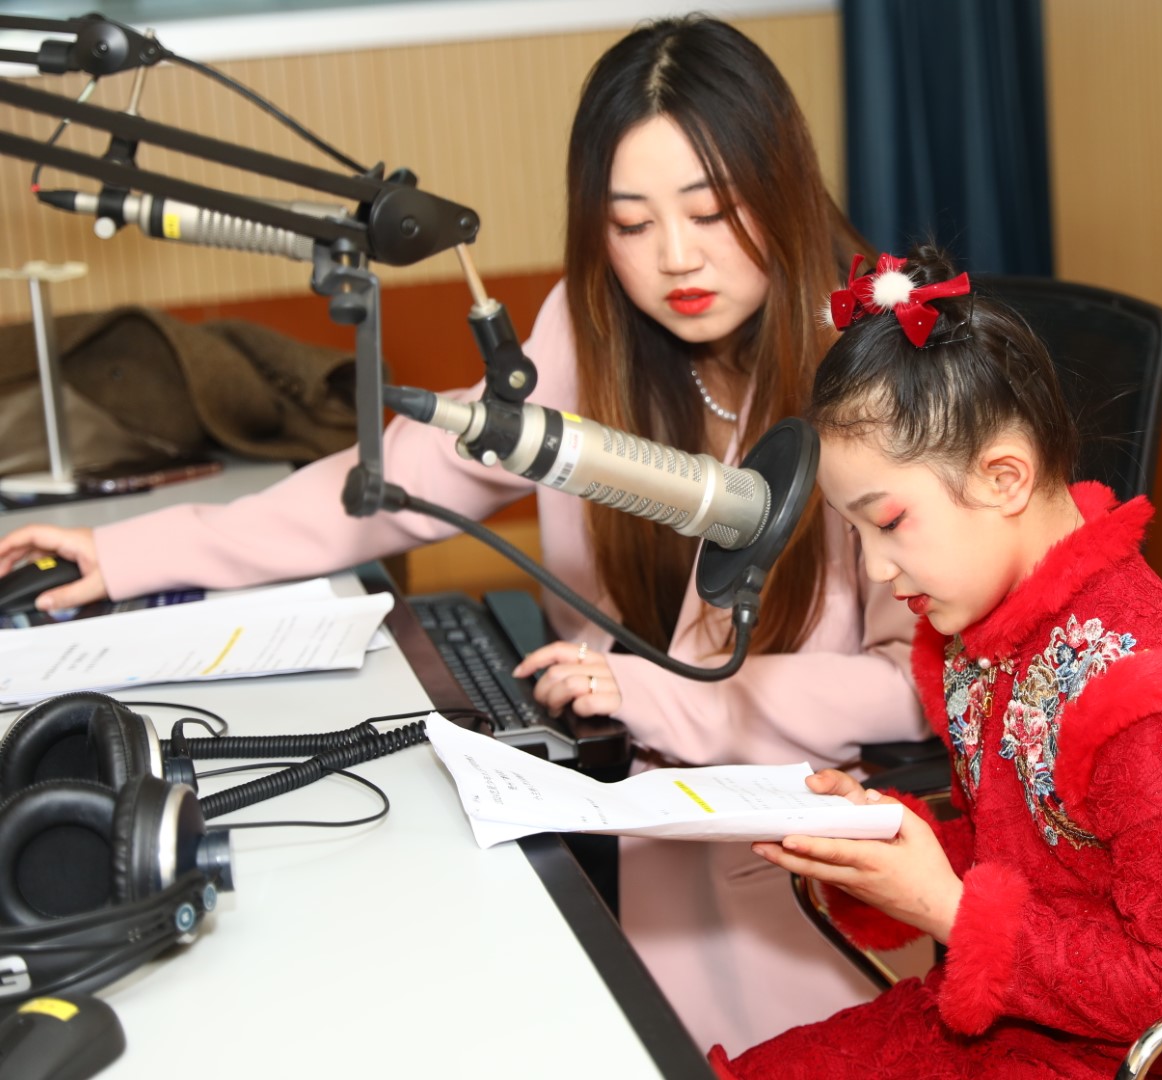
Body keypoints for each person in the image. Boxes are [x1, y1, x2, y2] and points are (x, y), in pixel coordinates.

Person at [0, 18, 927, 1051]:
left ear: (784, 189)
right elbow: (402, 482)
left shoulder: (875, 372)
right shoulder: (590, 329)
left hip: (794, 868)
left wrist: (664, 696)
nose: (675, 257)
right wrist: (130, 553)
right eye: (629, 224)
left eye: (711, 212)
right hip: (623, 814)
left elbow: (917, 686)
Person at [709, 246, 1162, 1078]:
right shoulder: (987, 630)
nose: (875, 568)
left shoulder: (1151, 702)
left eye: (889, 522)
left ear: (1005, 477)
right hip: (1010, 1022)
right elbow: (1021, 864)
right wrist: (881, 846)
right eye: (855, 533)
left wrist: (946, 908)